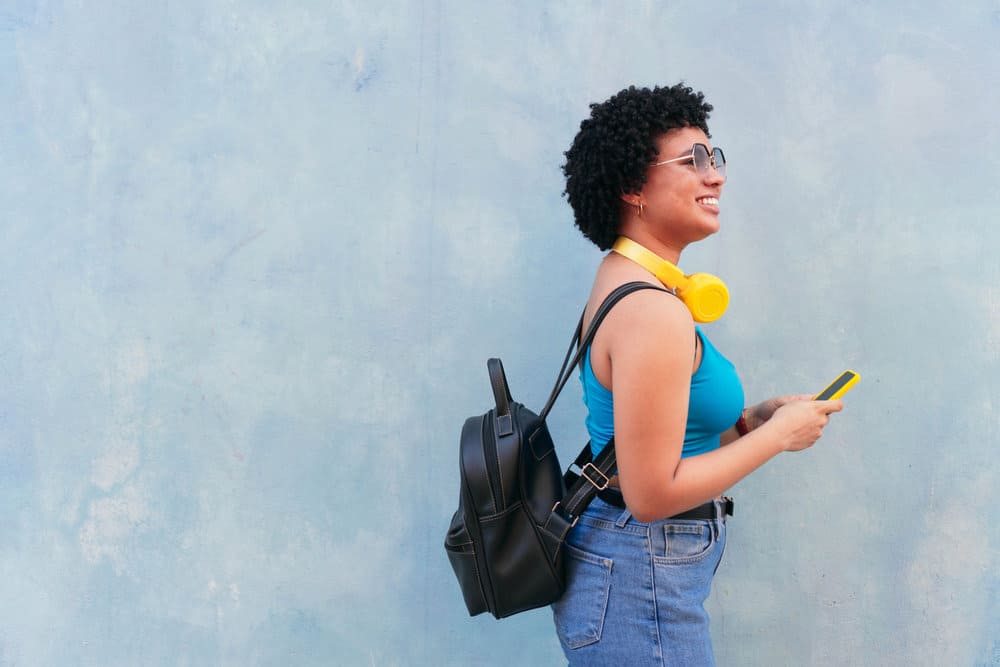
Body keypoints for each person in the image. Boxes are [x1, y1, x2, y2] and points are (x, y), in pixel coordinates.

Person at [550, 83, 844, 666]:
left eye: (716, 158)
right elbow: (652, 493)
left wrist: (753, 420)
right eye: (695, 161)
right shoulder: (652, 311)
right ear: (633, 187)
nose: (717, 177)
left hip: (631, 569)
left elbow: (663, 439)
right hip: (642, 574)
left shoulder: (629, 282)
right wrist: (776, 437)